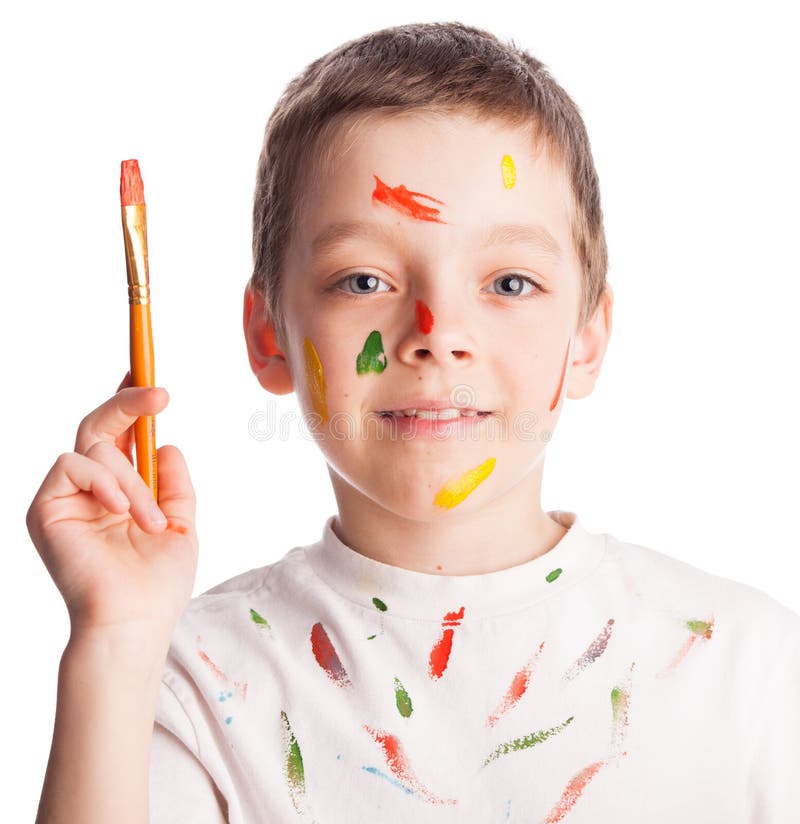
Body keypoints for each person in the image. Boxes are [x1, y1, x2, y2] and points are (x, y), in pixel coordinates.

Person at [27, 21, 800, 824]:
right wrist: (115, 641)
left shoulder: (748, 670)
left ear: (588, 341)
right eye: (364, 280)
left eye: (508, 283)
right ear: (268, 336)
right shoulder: (187, 679)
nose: (437, 332)